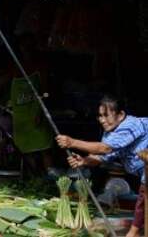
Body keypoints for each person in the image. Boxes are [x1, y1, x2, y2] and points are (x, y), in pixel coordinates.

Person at [56, 95, 148, 237]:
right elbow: (103, 156)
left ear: (121, 115)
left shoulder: (131, 125)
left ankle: (133, 233)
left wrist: (71, 142)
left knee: (144, 194)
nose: (102, 120)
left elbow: (105, 149)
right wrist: (85, 161)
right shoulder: (110, 132)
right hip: (143, 171)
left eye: (106, 115)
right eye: (100, 116)